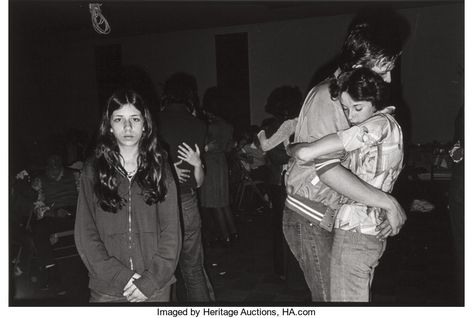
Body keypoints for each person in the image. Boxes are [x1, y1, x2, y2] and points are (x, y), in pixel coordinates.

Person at [278, 11, 409, 301]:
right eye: (384, 67)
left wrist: (378, 207)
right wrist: (387, 203)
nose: (388, 77)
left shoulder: (355, 98)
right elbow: (328, 171)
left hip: (330, 215)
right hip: (310, 216)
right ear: (361, 62)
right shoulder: (330, 97)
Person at [290, 67, 403, 301]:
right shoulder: (390, 126)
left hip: (356, 233)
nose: (351, 116)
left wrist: (296, 148)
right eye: (346, 109)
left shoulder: (377, 126)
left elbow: (311, 152)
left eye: (358, 107)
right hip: (368, 231)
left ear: (376, 101)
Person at [74, 89, 181, 302]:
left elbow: (172, 232)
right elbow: (85, 233)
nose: (128, 127)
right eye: (119, 119)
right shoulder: (93, 170)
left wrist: (150, 281)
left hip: (154, 288)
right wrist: (120, 276)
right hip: (107, 289)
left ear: (145, 125)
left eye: (135, 119)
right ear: (110, 127)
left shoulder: (160, 167)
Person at [158, 72, 215, 302]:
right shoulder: (198, 125)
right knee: (193, 270)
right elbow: (199, 180)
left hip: (161, 203)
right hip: (188, 200)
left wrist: (168, 168)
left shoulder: (154, 121)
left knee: (162, 271)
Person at [30, 154, 79, 293]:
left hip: (76, 214)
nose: (54, 165)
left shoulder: (75, 175)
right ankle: (52, 275)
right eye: (51, 162)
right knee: (39, 229)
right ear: (47, 164)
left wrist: (72, 212)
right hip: (55, 215)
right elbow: (38, 206)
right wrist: (52, 213)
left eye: (57, 161)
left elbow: (85, 197)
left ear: (61, 162)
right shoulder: (41, 180)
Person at [199, 87, 238, 247]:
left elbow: (203, 146)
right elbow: (229, 147)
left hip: (210, 164)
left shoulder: (209, 126)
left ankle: (225, 236)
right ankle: (233, 233)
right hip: (221, 163)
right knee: (223, 202)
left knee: (214, 204)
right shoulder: (228, 126)